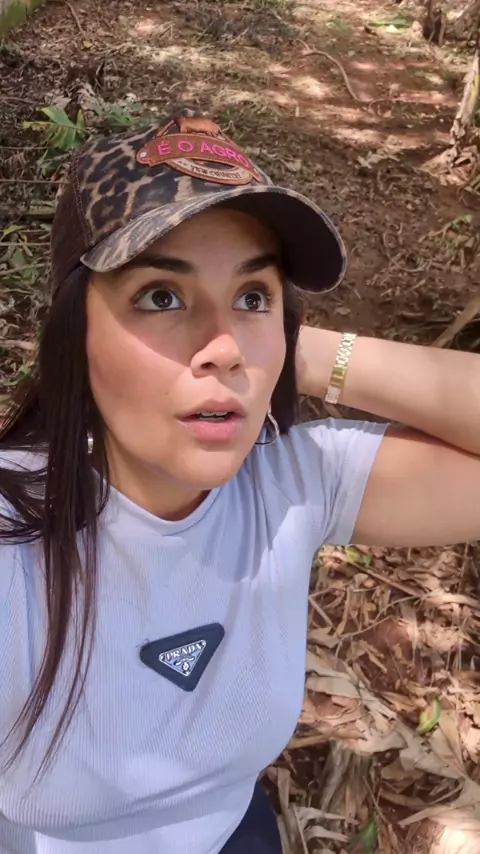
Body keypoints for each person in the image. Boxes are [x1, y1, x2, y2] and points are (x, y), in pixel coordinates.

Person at [0, 107, 478, 854]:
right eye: (162, 296)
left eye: (254, 295)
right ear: (73, 332)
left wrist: (289, 351)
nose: (222, 346)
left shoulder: (294, 482)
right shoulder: (14, 541)